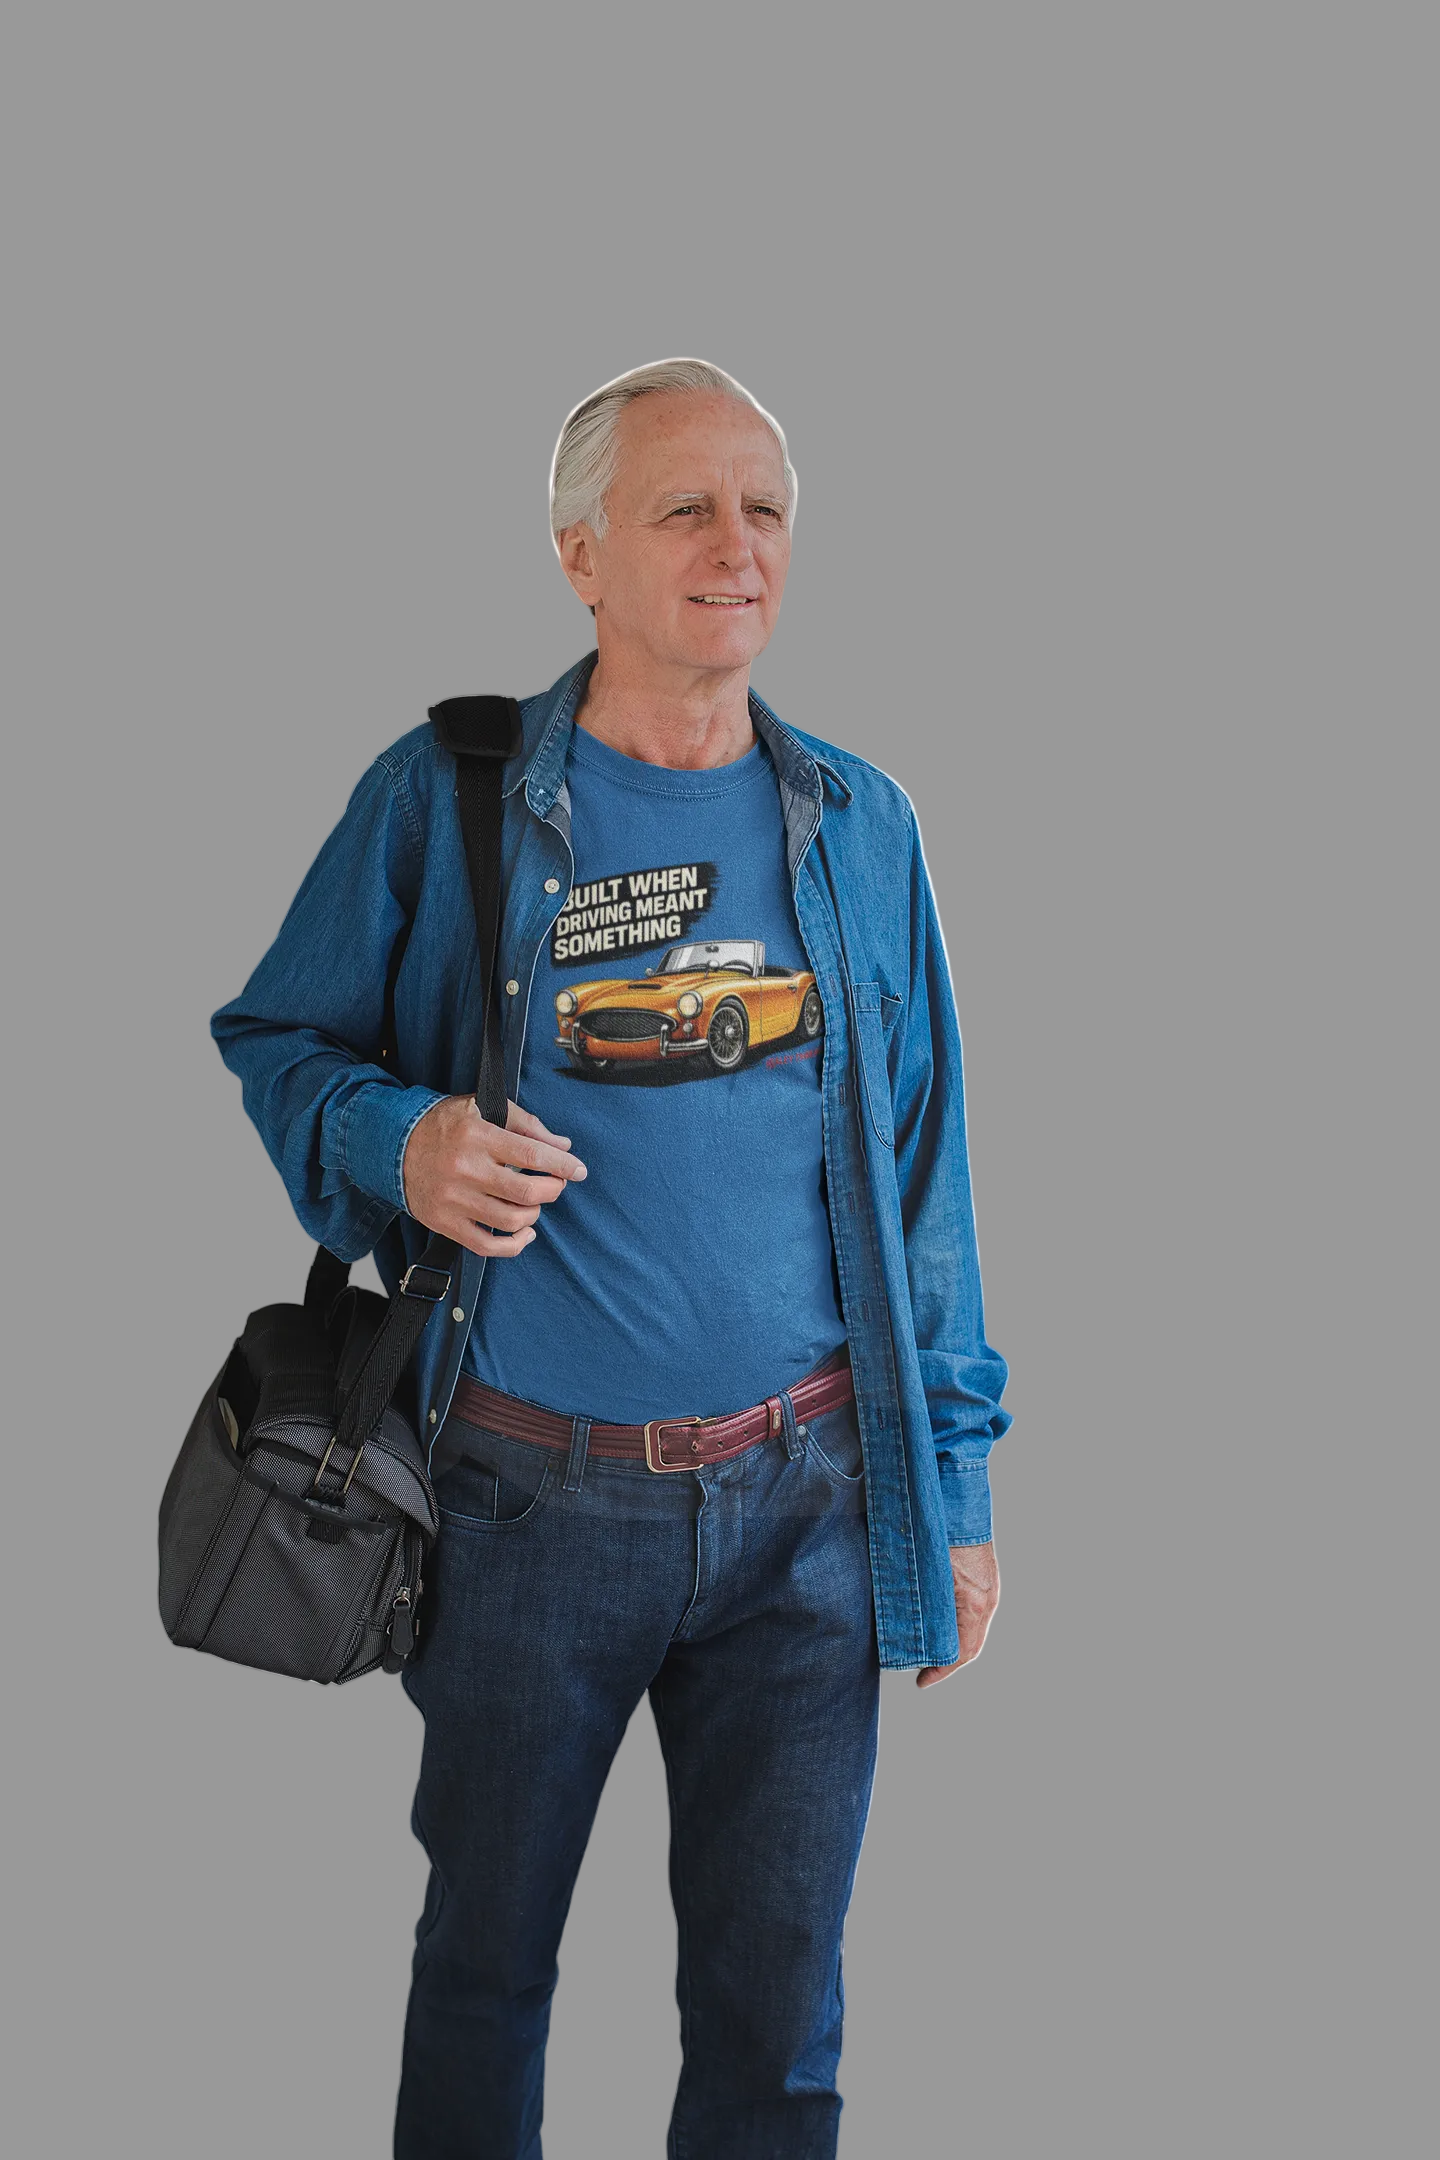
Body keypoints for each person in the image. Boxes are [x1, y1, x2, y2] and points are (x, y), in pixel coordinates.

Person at [212, 357, 1010, 2160]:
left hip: (809, 1507)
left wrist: (953, 1491)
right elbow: (280, 1036)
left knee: (779, 2015)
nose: (740, 545)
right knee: (485, 1972)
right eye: (686, 508)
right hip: (523, 1508)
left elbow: (927, 1173)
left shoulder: (859, 824)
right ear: (580, 555)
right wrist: (398, 1142)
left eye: (767, 509)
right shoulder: (453, 792)